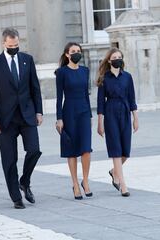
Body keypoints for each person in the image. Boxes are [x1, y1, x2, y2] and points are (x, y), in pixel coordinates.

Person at [0, 28, 43, 209]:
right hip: (5, 119)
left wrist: (39, 112)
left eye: (16, 45)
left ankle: (24, 181)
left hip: (27, 115)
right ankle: (16, 197)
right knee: (9, 159)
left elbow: (35, 88)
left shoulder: (27, 60)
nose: (14, 48)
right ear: (4, 44)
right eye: (10, 46)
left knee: (34, 150)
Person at [97, 47, 138, 197]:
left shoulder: (127, 77)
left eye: (119, 57)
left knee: (125, 151)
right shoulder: (104, 78)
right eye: (114, 57)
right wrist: (100, 123)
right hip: (111, 112)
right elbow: (100, 102)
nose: (117, 59)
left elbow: (132, 99)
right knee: (115, 149)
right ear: (109, 60)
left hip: (125, 111)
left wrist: (135, 118)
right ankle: (123, 185)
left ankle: (114, 171)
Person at [55, 42, 93, 200]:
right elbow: (59, 97)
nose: (77, 53)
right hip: (69, 112)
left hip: (84, 111)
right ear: (67, 55)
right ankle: (75, 184)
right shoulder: (62, 72)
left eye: (78, 51)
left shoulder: (85, 71)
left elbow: (86, 94)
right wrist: (59, 118)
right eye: (73, 51)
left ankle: (85, 180)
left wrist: (90, 115)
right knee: (71, 149)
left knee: (86, 149)